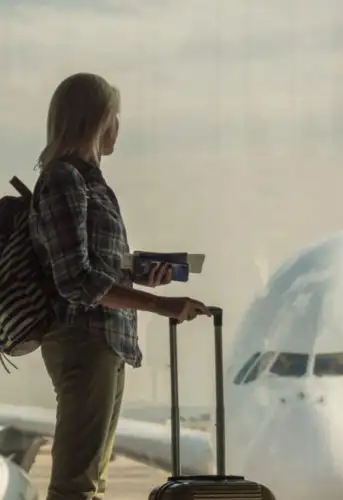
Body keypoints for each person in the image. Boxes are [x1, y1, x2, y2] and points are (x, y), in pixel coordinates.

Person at [28, 72, 211, 500]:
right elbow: (76, 281)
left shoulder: (88, 183)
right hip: (85, 339)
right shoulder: (64, 180)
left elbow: (92, 268)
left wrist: (137, 273)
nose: (118, 128)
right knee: (77, 484)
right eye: (114, 117)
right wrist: (159, 304)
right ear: (97, 120)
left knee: (90, 481)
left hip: (104, 341)